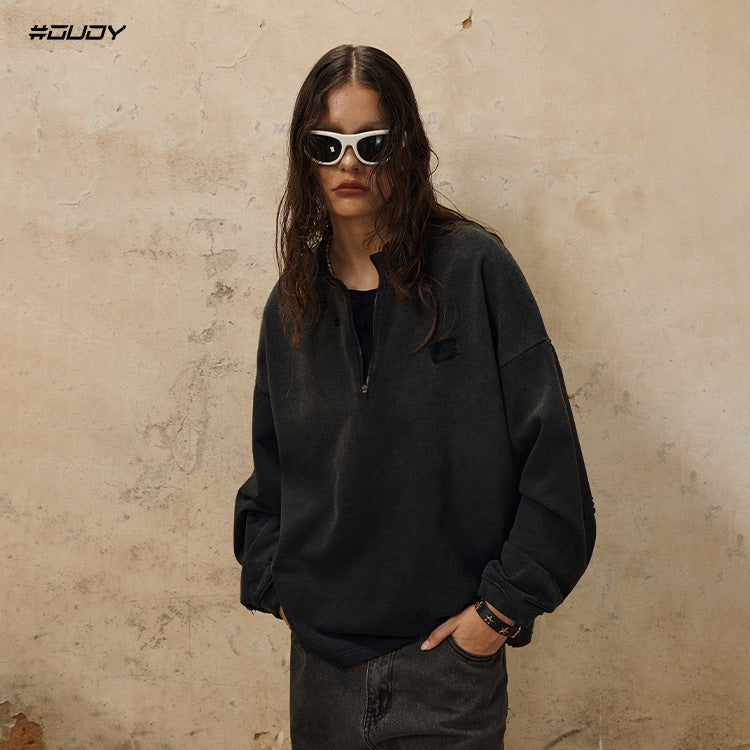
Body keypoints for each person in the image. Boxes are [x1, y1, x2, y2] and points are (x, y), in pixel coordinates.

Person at [234, 44, 595, 749]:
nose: (349, 162)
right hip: (322, 673)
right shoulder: (293, 305)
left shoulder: (475, 271)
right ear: (304, 158)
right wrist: (280, 589)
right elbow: (271, 477)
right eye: (327, 144)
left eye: (372, 143)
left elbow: (554, 469)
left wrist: (495, 617)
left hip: (447, 674)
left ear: (405, 150)